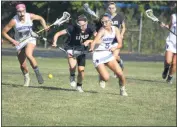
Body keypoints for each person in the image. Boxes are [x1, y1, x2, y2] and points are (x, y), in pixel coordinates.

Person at [2, 3, 49, 86]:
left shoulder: (30, 16)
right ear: (17, 12)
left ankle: (38, 74)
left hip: (30, 38)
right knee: (23, 65)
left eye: (23, 11)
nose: (21, 13)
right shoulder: (14, 21)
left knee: (28, 54)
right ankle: (27, 78)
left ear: (25, 10)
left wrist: (44, 26)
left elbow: (41, 18)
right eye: (19, 12)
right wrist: (13, 40)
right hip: (19, 42)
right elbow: (4, 32)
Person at [84, 13, 128, 96]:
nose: (104, 23)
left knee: (120, 74)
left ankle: (122, 89)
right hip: (98, 54)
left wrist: (114, 48)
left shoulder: (115, 29)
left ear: (111, 21)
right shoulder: (102, 30)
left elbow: (120, 44)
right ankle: (101, 77)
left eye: (106, 21)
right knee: (106, 78)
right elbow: (95, 41)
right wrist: (91, 47)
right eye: (102, 22)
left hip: (107, 53)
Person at [52, 14, 97, 92]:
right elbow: (58, 34)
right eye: (79, 25)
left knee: (81, 70)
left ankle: (79, 86)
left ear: (86, 23)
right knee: (73, 67)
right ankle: (72, 76)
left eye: (83, 25)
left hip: (82, 50)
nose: (81, 27)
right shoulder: (72, 28)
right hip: (71, 48)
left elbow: (98, 39)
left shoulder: (91, 28)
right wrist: (55, 42)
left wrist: (89, 41)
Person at [107, 2, 126, 71]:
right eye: (110, 8)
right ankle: (120, 61)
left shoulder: (119, 16)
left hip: (117, 39)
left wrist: (121, 35)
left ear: (115, 9)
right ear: (108, 9)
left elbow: (124, 27)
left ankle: (116, 71)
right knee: (113, 56)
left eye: (113, 8)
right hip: (109, 40)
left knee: (114, 57)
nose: (111, 9)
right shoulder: (106, 17)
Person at [160, 4, 176, 84]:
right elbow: (170, 26)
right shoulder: (173, 16)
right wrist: (165, 26)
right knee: (168, 60)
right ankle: (166, 68)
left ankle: (169, 77)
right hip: (171, 41)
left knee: (174, 63)